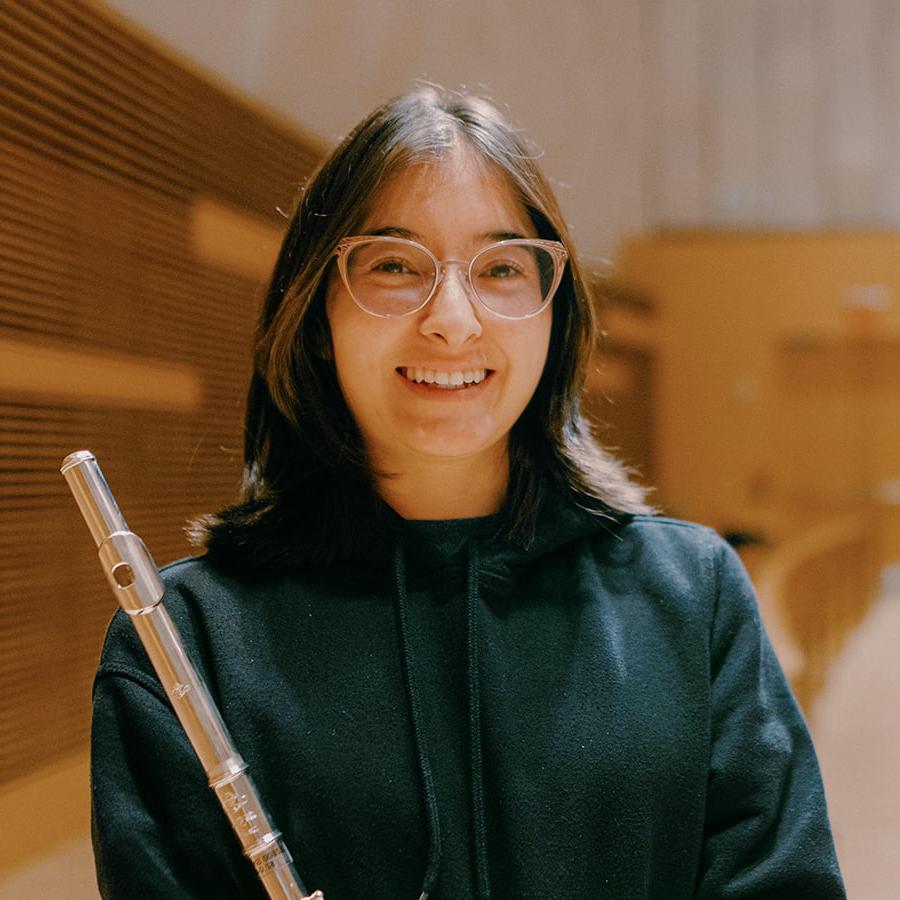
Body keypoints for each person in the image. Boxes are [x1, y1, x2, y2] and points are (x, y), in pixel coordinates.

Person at [91, 86, 845, 899]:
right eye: (392, 264)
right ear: (316, 315)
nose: (453, 318)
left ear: (556, 314)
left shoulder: (691, 598)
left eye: (502, 267)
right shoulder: (186, 643)